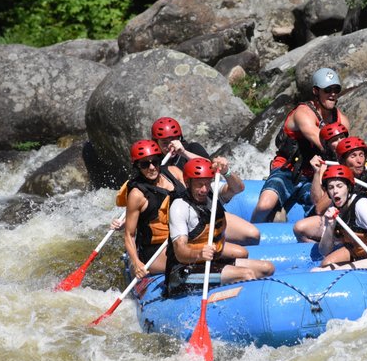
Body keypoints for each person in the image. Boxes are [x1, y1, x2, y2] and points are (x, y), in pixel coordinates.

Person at [114, 117, 261, 246]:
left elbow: (210, 167)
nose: (169, 146)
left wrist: (183, 152)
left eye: (172, 141)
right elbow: (146, 199)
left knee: (252, 233)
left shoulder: (191, 148)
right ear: (155, 143)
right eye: (164, 143)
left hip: (203, 197)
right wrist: (127, 220)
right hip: (178, 211)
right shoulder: (151, 164)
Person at [251, 68, 351, 222]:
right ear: (316, 91)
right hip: (287, 170)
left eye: (336, 90)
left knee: (323, 211)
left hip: (315, 176)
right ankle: (252, 231)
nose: (332, 94)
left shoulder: (341, 120)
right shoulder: (303, 113)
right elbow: (322, 141)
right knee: (265, 205)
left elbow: (348, 150)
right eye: (327, 90)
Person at [164, 158, 275, 296]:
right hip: (184, 271)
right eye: (199, 185)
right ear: (187, 183)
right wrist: (199, 253)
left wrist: (226, 172)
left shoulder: (211, 194)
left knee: (267, 268)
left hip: (209, 261)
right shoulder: (180, 207)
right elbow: (180, 252)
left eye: (207, 183)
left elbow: (238, 188)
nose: (204, 189)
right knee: (247, 274)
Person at [123, 140, 186, 279]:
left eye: (155, 162)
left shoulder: (173, 172)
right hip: (155, 250)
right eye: (145, 164)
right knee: (193, 259)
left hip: (182, 237)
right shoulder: (137, 194)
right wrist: (136, 262)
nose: (151, 167)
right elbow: (129, 234)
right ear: (137, 166)